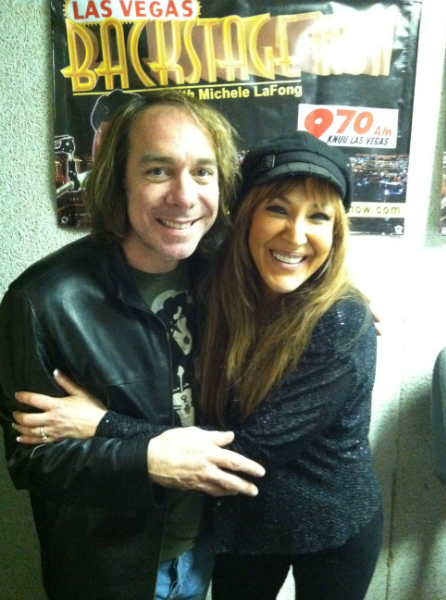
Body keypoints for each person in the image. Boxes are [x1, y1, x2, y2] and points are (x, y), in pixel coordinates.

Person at [12, 132, 383, 600]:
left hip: (328, 525)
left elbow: (243, 453)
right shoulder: (219, 285)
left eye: (319, 217)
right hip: (239, 525)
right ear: (246, 217)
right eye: (277, 209)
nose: (296, 234)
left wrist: (102, 424)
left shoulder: (342, 322)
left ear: (337, 232)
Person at [0, 90, 266, 600]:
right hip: (109, 572)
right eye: (158, 171)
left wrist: (338, 300)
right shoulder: (43, 300)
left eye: (203, 172)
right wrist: (145, 458)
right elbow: (31, 460)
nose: (184, 196)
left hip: (208, 552)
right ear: (118, 179)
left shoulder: (229, 274)